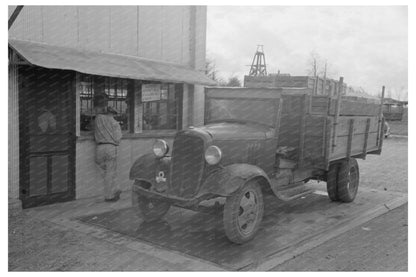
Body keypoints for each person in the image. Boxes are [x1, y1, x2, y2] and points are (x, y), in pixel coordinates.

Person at [93, 94, 122, 202]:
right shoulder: (114, 122)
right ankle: (111, 195)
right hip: (110, 147)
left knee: (105, 170)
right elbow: (118, 138)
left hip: (99, 148)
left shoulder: (97, 119)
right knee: (110, 172)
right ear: (112, 113)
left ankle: (116, 189)